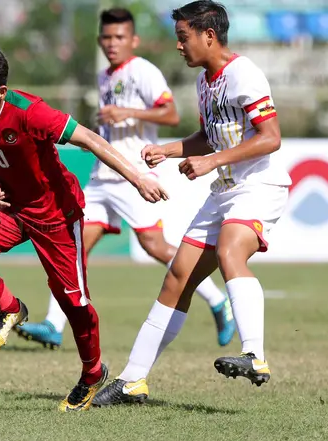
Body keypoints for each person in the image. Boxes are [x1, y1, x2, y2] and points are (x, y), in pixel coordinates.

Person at [0, 46, 168, 412]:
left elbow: (93, 140)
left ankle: (92, 373)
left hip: (56, 214)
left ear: (1, 92)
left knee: (73, 301)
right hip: (10, 207)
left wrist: (138, 178)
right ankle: (10, 307)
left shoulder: (33, 113)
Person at [93, 0, 292, 406]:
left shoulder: (244, 73)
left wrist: (211, 161)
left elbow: (270, 136)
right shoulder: (205, 81)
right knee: (176, 278)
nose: (179, 47)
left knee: (230, 251)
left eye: (183, 38)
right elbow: (210, 135)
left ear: (209, 35)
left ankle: (255, 354)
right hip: (222, 192)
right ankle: (132, 381)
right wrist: (167, 150)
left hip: (258, 186)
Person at [15, 7, 235, 351]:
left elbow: (171, 112)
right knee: (73, 247)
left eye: (119, 37)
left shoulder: (143, 71)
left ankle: (217, 300)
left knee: (154, 246)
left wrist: (127, 112)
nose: (111, 43)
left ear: (133, 40)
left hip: (134, 174)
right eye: (106, 37)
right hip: (103, 177)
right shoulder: (105, 75)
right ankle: (55, 325)